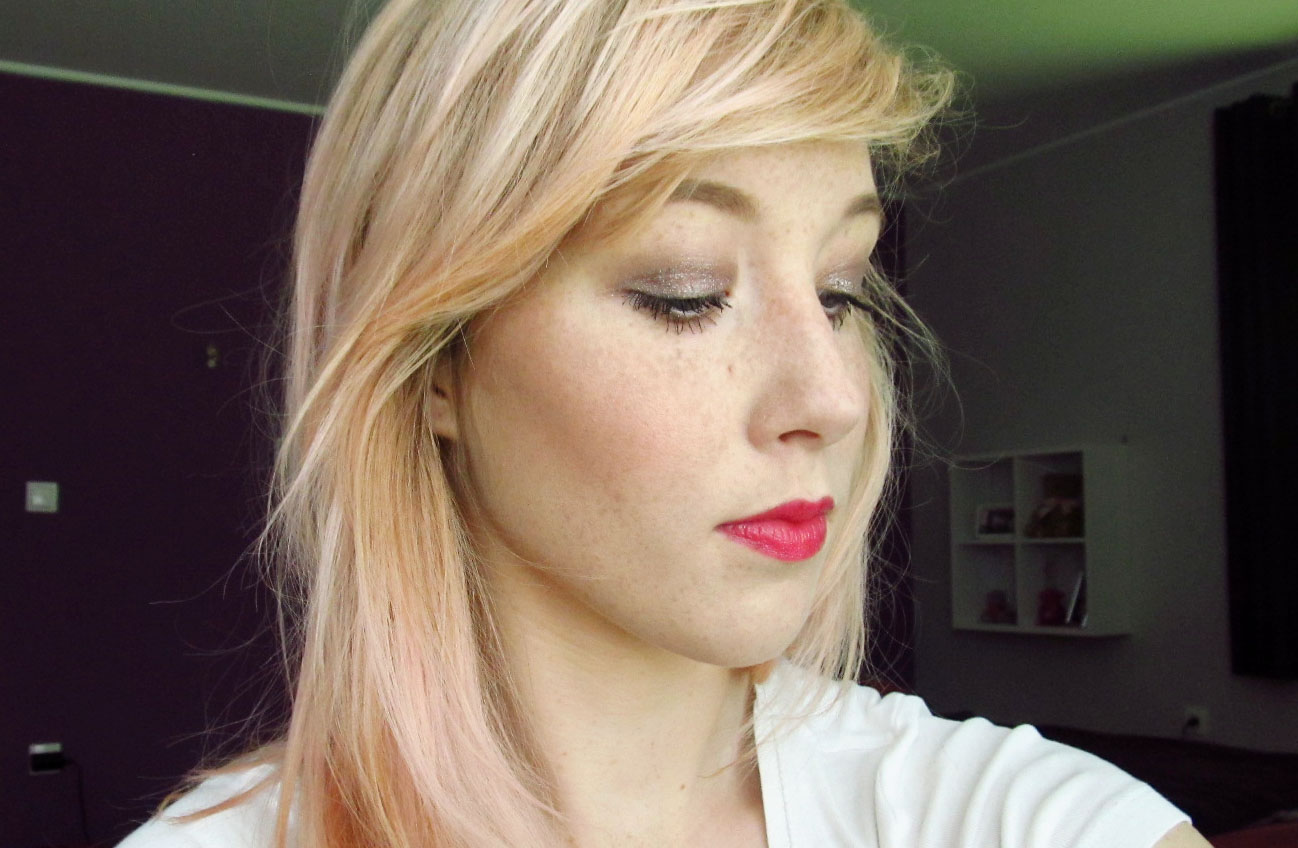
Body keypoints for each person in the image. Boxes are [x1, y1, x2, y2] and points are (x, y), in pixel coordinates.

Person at [119, 0, 1211, 845]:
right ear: (436, 362)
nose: (830, 399)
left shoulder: (1008, 815)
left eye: (837, 291)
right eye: (685, 293)